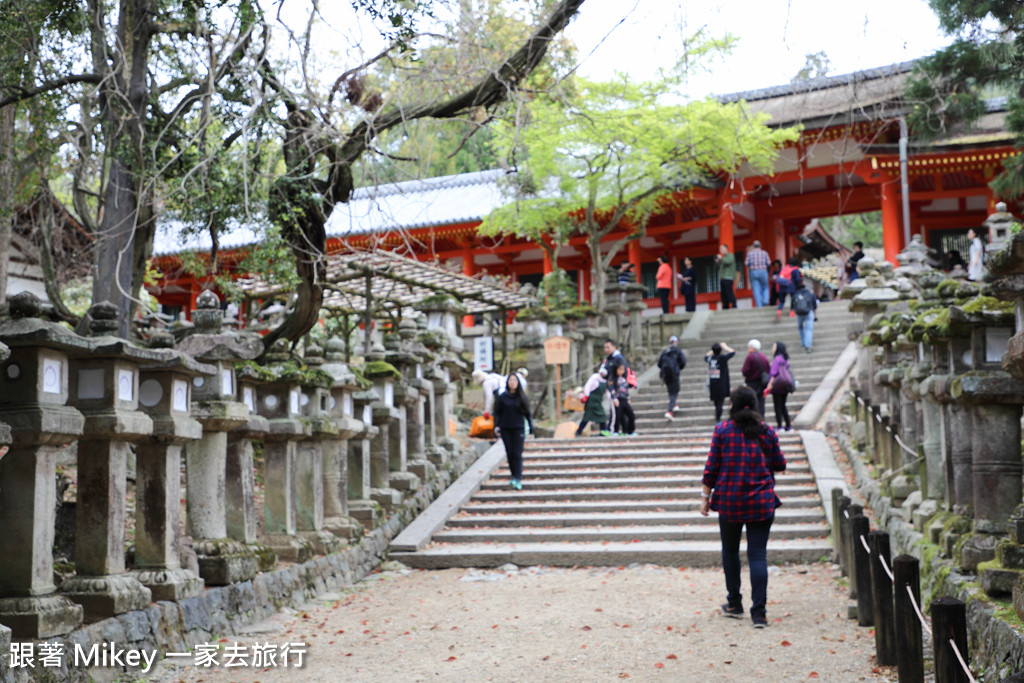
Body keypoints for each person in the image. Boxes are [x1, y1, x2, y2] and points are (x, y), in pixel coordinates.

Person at [699, 385, 787, 628]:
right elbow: (780, 464)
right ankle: (759, 613)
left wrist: (705, 497)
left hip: (730, 500)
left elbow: (711, 467)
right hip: (761, 501)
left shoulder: (723, 431)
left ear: (732, 406)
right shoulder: (766, 431)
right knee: (758, 555)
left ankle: (735, 603)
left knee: (730, 551)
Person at [493, 374, 533, 490]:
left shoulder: (522, 397)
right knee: (510, 453)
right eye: (510, 380)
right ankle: (513, 475)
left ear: (518, 383)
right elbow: (497, 412)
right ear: (507, 382)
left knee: (517, 453)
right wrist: (496, 426)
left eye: (514, 380)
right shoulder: (503, 397)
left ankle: (518, 477)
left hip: (518, 428)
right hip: (505, 428)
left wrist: (531, 429)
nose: (512, 382)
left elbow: (528, 414)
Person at [764, 341, 794, 431]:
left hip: (777, 386)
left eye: (774, 347)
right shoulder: (785, 359)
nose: (772, 349)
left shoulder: (777, 359)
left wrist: (770, 384)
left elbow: (773, 373)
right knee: (783, 406)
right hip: (785, 386)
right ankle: (788, 426)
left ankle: (780, 426)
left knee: (777, 406)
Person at [705, 342, 736, 423]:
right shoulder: (722, 358)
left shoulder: (710, 359)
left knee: (716, 402)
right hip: (721, 383)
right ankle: (718, 418)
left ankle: (717, 416)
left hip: (713, 383)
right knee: (720, 402)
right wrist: (726, 347)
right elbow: (733, 352)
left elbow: (706, 356)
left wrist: (712, 350)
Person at [658, 335, 687, 420]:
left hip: (665, 375)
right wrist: (678, 368)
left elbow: (659, 364)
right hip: (674, 374)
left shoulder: (665, 351)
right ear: (677, 342)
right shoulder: (678, 351)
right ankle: (669, 411)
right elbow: (683, 361)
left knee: (671, 391)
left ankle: (674, 404)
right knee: (675, 391)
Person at [741, 339, 771, 416]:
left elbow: (745, 371)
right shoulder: (764, 357)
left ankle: (753, 419)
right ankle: (761, 420)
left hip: (751, 384)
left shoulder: (750, 357)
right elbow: (769, 369)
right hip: (762, 384)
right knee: (761, 403)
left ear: (752, 348)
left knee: (751, 403)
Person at [575, 368, 609, 437]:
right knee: (587, 417)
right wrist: (586, 395)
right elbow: (588, 386)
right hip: (591, 400)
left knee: (602, 415)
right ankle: (578, 431)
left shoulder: (606, 381)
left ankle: (603, 431)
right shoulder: (595, 377)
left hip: (598, 401)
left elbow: (607, 391)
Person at [791, 282, 817, 353]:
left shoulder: (795, 295)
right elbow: (815, 306)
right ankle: (808, 345)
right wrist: (815, 316)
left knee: (800, 327)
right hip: (809, 313)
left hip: (799, 314)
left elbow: (792, 306)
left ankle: (803, 343)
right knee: (809, 329)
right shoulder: (810, 295)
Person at [611, 363, 636, 435]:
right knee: (618, 416)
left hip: (624, 399)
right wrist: (615, 398)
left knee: (631, 415)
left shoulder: (624, 379)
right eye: (620, 369)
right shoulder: (613, 378)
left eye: (623, 370)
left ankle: (630, 431)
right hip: (618, 399)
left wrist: (628, 398)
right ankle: (615, 431)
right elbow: (611, 388)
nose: (621, 371)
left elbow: (626, 389)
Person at [744, 240, 771, 307]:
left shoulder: (749, 254)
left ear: (753, 246)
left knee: (756, 288)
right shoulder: (765, 253)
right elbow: (769, 263)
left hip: (753, 272)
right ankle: (765, 300)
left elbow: (746, 263)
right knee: (765, 287)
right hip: (763, 271)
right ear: (760, 246)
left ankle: (759, 305)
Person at [715, 244, 737, 309]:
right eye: (720, 249)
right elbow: (717, 267)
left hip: (728, 277)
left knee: (729, 291)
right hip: (722, 277)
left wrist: (721, 258)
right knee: (723, 293)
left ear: (726, 249)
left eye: (721, 248)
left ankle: (734, 303)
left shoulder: (730, 255)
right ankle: (725, 305)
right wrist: (717, 262)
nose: (720, 250)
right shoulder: (722, 258)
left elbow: (728, 262)